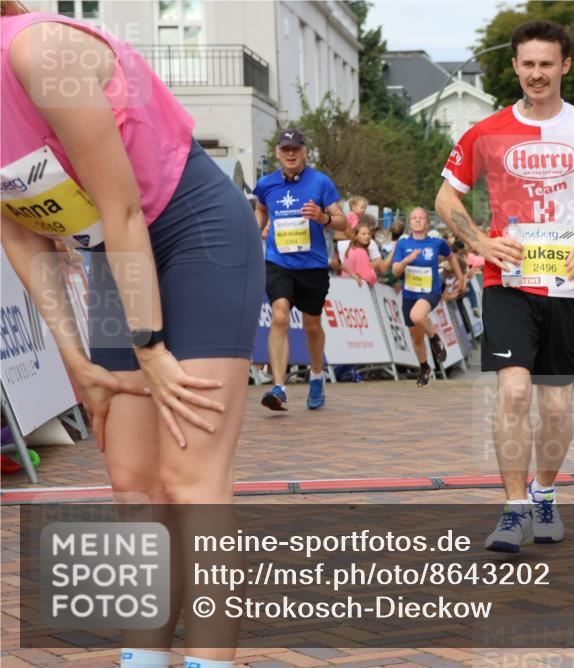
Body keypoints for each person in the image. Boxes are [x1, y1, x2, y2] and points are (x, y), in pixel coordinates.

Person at [1, 2, 263, 665]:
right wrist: (76, 362)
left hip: (192, 231)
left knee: (188, 477)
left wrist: (150, 349)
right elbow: (19, 232)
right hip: (115, 255)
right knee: (131, 481)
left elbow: (121, 205)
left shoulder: (39, 52)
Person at [435, 20, 574, 552]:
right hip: (509, 283)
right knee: (514, 391)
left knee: (559, 410)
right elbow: (446, 200)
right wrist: (479, 243)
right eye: (528, 64)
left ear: (565, 65)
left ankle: (545, 493)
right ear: (515, 67)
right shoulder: (488, 131)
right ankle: (514, 508)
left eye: (547, 64)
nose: (537, 73)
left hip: (566, 285)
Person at [254, 128, 347, 411]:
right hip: (278, 262)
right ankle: (279, 387)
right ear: (277, 153)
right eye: (285, 149)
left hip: (312, 266)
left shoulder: (320, 182)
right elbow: (261, 208)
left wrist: (323, 217)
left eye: (295, 148)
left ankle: (316, 374)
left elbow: (344, 223)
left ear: (305, 151)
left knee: (312, 326)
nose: (290, 154)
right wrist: (258, 229)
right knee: (279, 315)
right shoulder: (266, 184)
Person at [391, 207, 464, 386]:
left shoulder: (436, 243)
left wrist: (460, 276)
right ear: (409, 223)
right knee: (416, 337)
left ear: (427, 222)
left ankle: (434, 339)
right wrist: (406, 261)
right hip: (409, 293)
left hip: (430, 290)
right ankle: (424, 367)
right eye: (414, 218)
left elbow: (451, 257)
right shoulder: (402, 244)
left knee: (416, 315)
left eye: (421, 218)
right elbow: (395, 271)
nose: (417, 220)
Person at [341, 219, 380, 287]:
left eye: (368, 234)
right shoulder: (361, 252)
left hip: (346, 287)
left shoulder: (350, 249)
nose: (367, 236)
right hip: (357, 290)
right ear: (356, 236)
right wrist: (372, 269)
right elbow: (369, 277)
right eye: (363, 234)